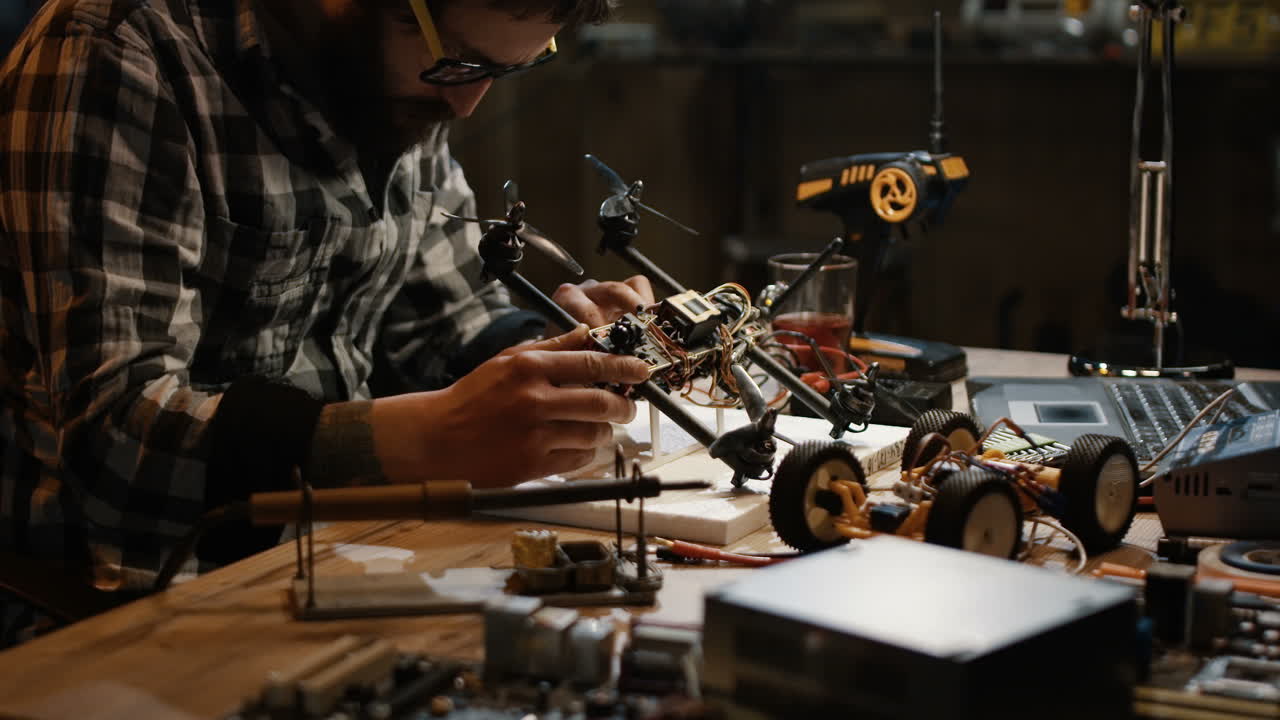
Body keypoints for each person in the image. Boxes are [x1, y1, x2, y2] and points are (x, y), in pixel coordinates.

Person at [0, 0, 656, 641]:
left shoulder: (398, 78)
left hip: (334, 561)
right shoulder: (119, 49)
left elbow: (444, 322)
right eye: (459, 64)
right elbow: (116, 439)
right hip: (111, 612)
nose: (467, 104)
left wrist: (557, 362)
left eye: (506, 70)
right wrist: (423, 438)